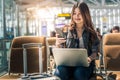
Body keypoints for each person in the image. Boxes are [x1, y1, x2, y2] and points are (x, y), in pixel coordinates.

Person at [54, 2, 100, 80]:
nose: (76, 16)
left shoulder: (92, 33)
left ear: (86, 15)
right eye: (74, 13)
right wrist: (57, 44)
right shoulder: (65, 30)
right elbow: (61, 49)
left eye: (80, 13)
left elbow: (95, 52)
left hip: (85, 65)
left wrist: (90, 58)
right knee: (60, 72)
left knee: (79, 73)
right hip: (67, 64)